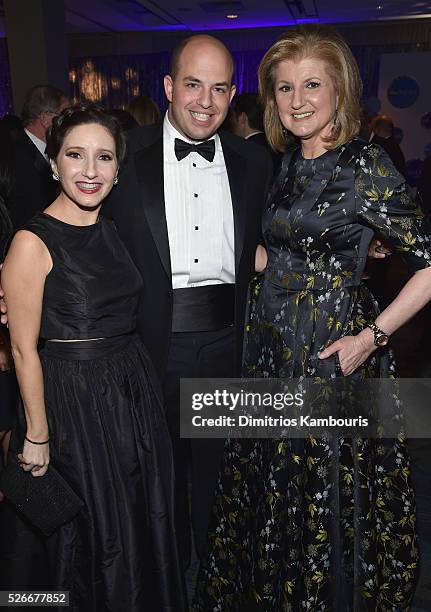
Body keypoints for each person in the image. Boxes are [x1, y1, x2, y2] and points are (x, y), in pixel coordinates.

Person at [194, 24, 431, 610]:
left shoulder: (365, 165)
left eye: (312, 85)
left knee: (317, 499)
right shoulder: (285, 165)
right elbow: (279, 252)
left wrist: (370, 339)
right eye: (283, 88)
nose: (296, 100)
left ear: (339, 91)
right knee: (271, 491)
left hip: (328, 357)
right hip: (269, 348)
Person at [1, 104, 184, 611]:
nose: (89, 170)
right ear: (53, 163)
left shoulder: (115, 227)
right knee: (87, 531)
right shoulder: (31, 242)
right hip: (71, 403)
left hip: (130, 393)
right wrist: (37, 433)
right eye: (75, 156)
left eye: (103, 158)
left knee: (135, 518)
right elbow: (22, 347)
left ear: (118, 170)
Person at [102, 35, 273, 574]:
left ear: (232, 93)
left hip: (230, 345)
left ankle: (224, 583)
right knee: (160, 482)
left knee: (224, 481)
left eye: (219, 87)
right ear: (170, 87)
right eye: (193, 84)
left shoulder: (253, 161)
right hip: (150, 348)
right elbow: (76, 226)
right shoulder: (124, 152)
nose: (205, 100)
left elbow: (285, 235)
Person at [7, 85, 68, 229]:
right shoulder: (18, 157)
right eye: (64, 115)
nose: (69, 122)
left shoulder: (49, 150)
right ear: (46, 119)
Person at [231, 92, 282, 172]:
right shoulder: (276, 147)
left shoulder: (241, 152)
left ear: (242, 118)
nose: (231, 122)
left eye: (232, 117)